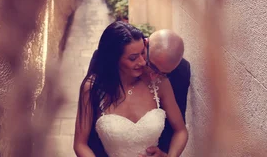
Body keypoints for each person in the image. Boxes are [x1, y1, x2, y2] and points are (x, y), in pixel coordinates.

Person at [73, 22, 188, 157]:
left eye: (142, 54)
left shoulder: (160, 83)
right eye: (133, 58)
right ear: (114, 58)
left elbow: (181, 131)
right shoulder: (92, 88)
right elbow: (80, 144)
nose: (142, 62)